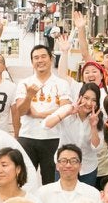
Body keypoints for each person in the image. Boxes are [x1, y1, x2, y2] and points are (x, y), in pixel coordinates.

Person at [15, 42, 76, 181]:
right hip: (28, 136)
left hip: (53, 138)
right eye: (36, 58)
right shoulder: (24, 83)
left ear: (51, 59)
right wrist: (29, 96)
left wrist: (37, 114)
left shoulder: (61, 83)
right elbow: (22, 111)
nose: (40, 60)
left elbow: (65, 109)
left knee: (51, 180)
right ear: (32, 62)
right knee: (24, 179)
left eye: (43, 56)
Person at [38, 143, 102, 203]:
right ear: (57, 166)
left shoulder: (93, 194)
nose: (68, 165)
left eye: (73, 161)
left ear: (80, 166)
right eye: (63, 161)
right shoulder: (43, 193)